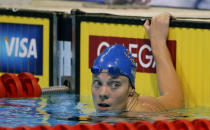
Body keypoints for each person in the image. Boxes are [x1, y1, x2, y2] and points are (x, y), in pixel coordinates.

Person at [91, 13, 184, 112]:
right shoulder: (142, 102)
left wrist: (158, 41)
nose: (102, 93)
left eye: (115, 85)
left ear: (131, 89)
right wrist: (157, 41)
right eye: (98, 83)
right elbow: (174, 100)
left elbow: (176, 105)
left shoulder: (145, 117)